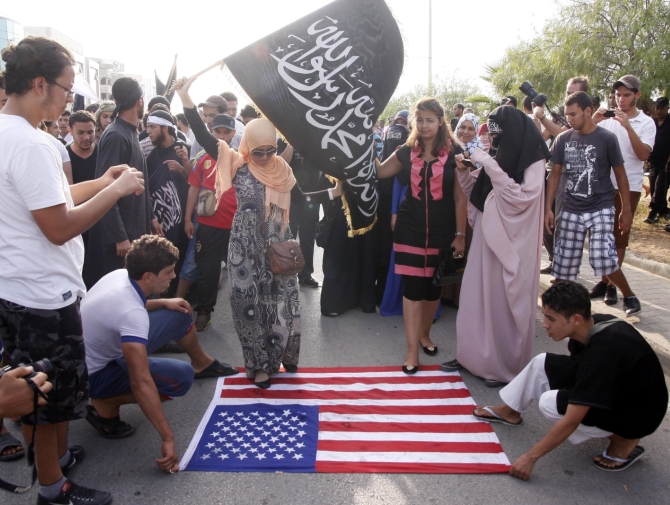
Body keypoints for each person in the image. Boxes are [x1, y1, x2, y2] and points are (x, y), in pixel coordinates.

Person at [0, 36, 145, 505]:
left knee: (32, 393)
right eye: (66, 88)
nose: (69, 99)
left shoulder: (9, 135)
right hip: (43, 297)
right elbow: (59, 226)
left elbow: (50, 203)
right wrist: (116, 191)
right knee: (47, 399)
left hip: (17, 288)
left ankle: (53, 464)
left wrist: (98, 182)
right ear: (40, 84)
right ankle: (52, 488)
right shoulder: (32, 143)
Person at [175, 75, 342, 389]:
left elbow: (303, 200)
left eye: (270, 150)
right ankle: (258, 365)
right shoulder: (237, 163)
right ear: (248, 144)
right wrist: (185, 96)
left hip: (278, 246)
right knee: (247, 306)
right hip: (244, 247)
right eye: (260, 150)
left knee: (280, 305)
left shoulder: (284, 170)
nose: (265, 156)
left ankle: (278, 355)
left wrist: (335, 194)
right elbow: (203, 134)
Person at [473, 281, 668, 480]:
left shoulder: (605, 352)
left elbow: (572, 419)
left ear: (575, 319)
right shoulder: (592, 326)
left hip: (638, 415)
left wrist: (530, 457)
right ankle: (510, 411)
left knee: (551, 403)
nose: (545, 325)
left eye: (551, 319)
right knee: (542, 362)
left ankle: (624, 440)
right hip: (616, 390)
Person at [81, 235, 237, 471]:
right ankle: (104, 402)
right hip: (93, 375)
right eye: (169, 272)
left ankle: (202, 363)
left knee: (178, 311)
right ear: (148, 277)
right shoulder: (131, 314)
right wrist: (167, 438)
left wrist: (164, 302)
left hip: (99, 350)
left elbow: (132, 304)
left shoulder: (121, 276)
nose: (174, 276)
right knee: (181, 378)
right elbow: (140, 379)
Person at [442, 105, 550, 386]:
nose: (494, 141)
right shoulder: (497, 155)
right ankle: (471, 357)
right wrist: (465, 170)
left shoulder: (533, 160)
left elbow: (523, 197)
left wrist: (487, 163)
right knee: (476, 298)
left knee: (503, 302)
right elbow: (477, 191)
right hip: (487, 239)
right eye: (492, 134)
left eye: (498, 134)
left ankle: (503, 367)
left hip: (513, 242)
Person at [377, 98, 467, 374]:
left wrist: (460, 234)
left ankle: (425, 334)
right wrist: (364, 148)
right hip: (409, 230)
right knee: (414, 291)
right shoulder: (406, 151)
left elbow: (460, 199)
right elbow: (381, 172)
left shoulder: (456, 152)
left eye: (430, 119)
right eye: (420, 119)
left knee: (433, 291)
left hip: (443, 232)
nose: (424, 125)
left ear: (441, 121)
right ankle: (412, 350)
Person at [545, 91, 640, 316]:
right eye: (567, 114)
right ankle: (566, 312)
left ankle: (629, 295)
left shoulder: (607, 138)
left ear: (588, 111)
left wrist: (626, 210)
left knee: (603, 258)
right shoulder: (563, 139)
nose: (569, 119)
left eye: (574, 114)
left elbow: (621, 175)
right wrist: (548, 209)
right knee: (563, 266)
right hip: (571, 207)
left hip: (601, 206)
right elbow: (555, 176)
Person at [84, 77, 157, 290]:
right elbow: (107, 187)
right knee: (116, 293)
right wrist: (119, 236)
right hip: (120, 238)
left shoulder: (130, 131)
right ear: (140, 101)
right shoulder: (116, 134)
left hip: (135, 226)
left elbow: (141, 182)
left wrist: (151, 217)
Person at [590, 75, 654, 311]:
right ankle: (605, 282)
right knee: (599, 237)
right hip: (602, 186)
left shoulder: (646, 123)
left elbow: (643, 155)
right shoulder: (608, 119)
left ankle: (610, 286)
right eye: (618, 94)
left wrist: (627, 126)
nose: (621, 99)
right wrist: (593, 120)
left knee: (618, 238)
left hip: (630, 186)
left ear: (637, 95)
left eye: (627, 95)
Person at [182, 113, 238, 331]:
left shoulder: (242, 158)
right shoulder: (202, 160)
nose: (222, 136)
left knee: (242, 272)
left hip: (237, 227)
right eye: (218, 131)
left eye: (227, 131)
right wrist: (188, 219)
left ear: (234, 133)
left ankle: (248, 313)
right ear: (211, 132)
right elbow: (193, 189)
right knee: (207, 272)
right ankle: (204, 311)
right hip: (208, 227)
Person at [145, 110, 191, 289]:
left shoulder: (181, 149)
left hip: (181, 218)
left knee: (181, 255)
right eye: (147, 127)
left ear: (165, 128)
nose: (148, 131)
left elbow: (194, 181)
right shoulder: (153, 155)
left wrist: (181, 167)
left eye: (152, 127)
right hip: (161, 218)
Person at [644, 97, 670, 222]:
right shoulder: (652, 122)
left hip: (666, 162)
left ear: (667, 108)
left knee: (660, 186)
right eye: (657, 108)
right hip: (653, 160)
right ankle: (664, 210)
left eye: (662, 108)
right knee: (654, 186)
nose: (659, 111)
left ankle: (653, 212)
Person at [66, 110, 98, 185]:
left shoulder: (103, 152)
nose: (86, 137)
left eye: (90, 132)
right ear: (70, 131)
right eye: (80, 133)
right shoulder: (64, 155)